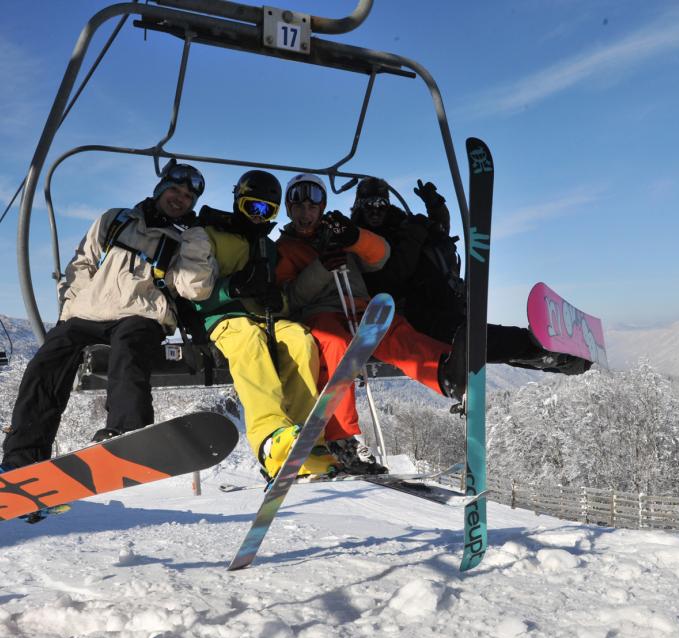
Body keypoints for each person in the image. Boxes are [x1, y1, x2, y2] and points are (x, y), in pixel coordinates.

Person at [1, 161, 218, 477]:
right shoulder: (115, 220)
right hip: (89, 311)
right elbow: (81, 265)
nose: (179, 198)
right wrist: (70, 310)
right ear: (161, 188)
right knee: (46, 363)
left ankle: (127, 433)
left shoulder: (185, 240)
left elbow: (195, 289)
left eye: (187, 196)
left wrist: (196, 240)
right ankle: (22, 458)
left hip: (142, 312)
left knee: (129, 350)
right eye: (175, 189)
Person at [275, 174, 466, 473]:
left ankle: (446, 371)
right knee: (336, 346)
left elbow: (379, 257)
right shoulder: (284, 248)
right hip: (320, 314)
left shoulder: (335, 233)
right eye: (298, 207)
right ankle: (342, 439)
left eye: (313, 207)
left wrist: (354, 236)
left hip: (360, 307)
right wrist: (321, 267)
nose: (306, 214)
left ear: (322, 208)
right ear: (289, 209)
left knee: (395, 332)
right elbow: (289, 298)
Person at [350, 176, 591, 375]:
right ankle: (552, 356)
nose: (375, 211)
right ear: (359, 205)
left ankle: (556, 358)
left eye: (380, 204)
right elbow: (391, 278)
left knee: (477, 342)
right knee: (474, 342)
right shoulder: (357, 239)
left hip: (440, 298)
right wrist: (414, 235)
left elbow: (439, 233)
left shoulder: (403, 223)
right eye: (369, 204)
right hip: (413, 314)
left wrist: (436, 207)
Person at [194, 170, 337, 481]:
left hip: (263, 319)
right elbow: (192, 291)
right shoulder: (207, 235)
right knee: (249, 342)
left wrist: (277, 299)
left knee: (301, 339)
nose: (258, 217)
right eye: (251, 207)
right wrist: (232, 287)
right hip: (224, 319)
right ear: (238, 202)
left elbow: (280, 301)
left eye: (266, 211)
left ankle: (308, 444)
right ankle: (271, 439)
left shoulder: (267, 248)